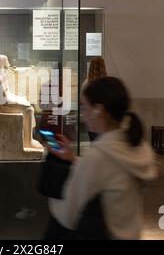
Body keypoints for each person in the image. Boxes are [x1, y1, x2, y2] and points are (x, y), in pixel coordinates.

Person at [44, 77, 157, 240]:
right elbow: (112, 173)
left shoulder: (99, 156)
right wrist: (74, 159)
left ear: (99, 110)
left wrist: (51, 201)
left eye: (85, 108)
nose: (83, 116)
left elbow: (68, 216)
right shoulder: (137, 145)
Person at [86, 58, 107, 141]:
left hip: (92, 119)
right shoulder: (107, 83)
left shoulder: (86, 83)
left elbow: (83, 101)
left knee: (94, 144)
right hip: (104, 119)